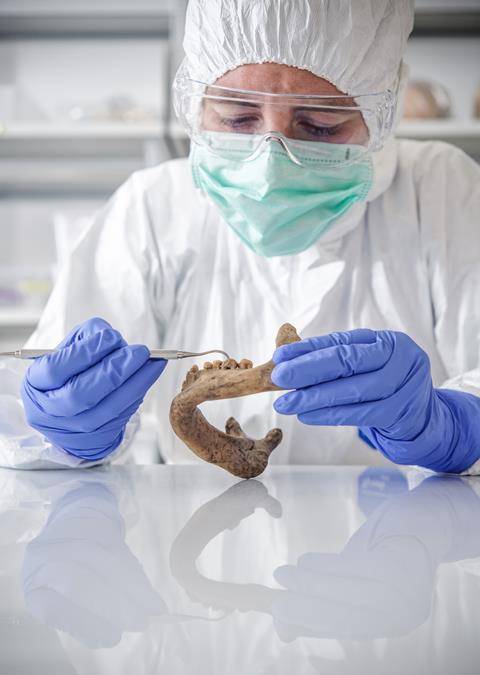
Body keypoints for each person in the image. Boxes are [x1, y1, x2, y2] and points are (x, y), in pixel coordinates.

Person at [1, 0, 480, 473]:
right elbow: (31, 422)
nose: (270, 164)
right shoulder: (153, 205)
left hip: (412, 539)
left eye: (320, 125)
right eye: (236, 118)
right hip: (199, 536)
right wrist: (63, 431)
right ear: (197, 104)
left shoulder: (443, 190)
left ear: (380, 117)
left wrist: (453, 426)